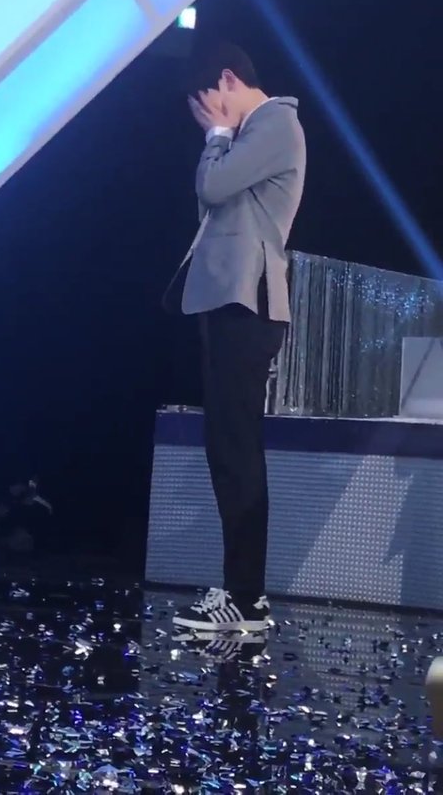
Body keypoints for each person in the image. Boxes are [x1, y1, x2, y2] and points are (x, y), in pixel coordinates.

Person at [165, 42, 306, 632]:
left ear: (227, 79)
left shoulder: (275, 122)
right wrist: (222, 136)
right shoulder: (255, 133)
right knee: (228, 448)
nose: (207, 116)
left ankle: (246, 598)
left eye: (208, 102)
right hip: (230, 301)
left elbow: (213, 188)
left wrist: (217, 135)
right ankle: (242, 592)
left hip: (249, 304)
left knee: (237, 449)